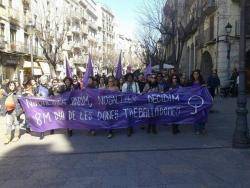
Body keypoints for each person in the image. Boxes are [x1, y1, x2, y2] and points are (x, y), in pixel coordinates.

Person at [190, 70, 207, 135]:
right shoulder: (191, 82)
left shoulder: (202, 82)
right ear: (193, 75)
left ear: (199, 75)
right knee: (196, 115)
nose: (195, 75)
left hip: (201, 100)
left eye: (197, 74)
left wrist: (204, 86)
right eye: (194, 74)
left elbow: (205, 91)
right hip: (194, 101)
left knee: (203, 115)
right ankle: (196, 129)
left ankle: (202, 128)